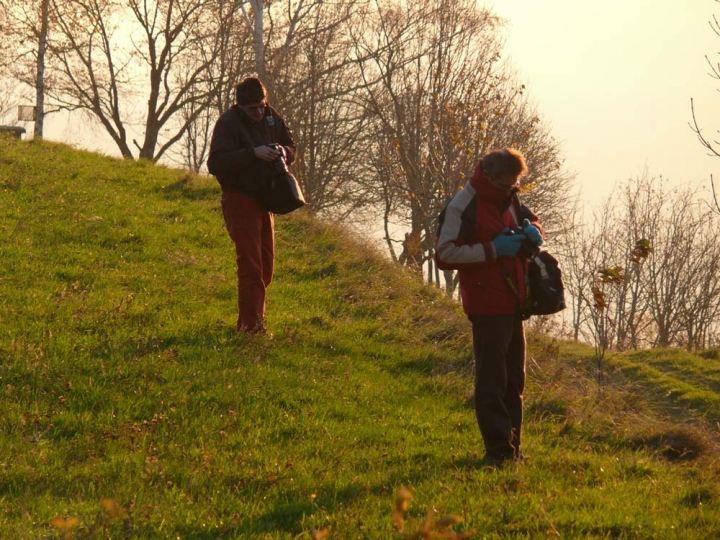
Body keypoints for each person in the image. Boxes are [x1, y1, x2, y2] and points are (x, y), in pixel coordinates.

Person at [435, 148, 544, 464]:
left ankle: (513, 450)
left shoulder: (508, 196)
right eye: (505, 184)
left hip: (514, 302)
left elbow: (528, 217)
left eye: (514, 184)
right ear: (489, 175)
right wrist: (492, 250)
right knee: (492, 383)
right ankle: (498, 452)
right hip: (486, 305)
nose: (510, 189)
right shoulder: (462, 205)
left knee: (514, 382)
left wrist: (535, 230)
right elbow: (444, 254)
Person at [207, 77, 297, 335]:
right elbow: (215, 163)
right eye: (252, 109)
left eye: (261, 106)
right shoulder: (228, 123)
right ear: (240, 107)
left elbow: (292, 147)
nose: (258, 113)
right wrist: (252, 154)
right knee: (251, 265)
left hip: (265, 199)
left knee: (266, 266)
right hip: (239, 198)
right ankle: (251, 328)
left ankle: (250, 321)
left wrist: (283, 152)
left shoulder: (271, 116)